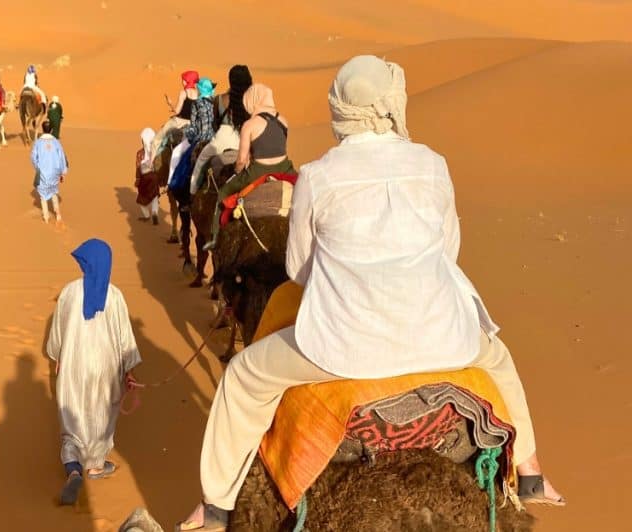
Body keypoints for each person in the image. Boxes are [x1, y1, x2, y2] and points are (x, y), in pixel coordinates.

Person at [176, 55, 564, 531]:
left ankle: (216, 506)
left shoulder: (318, 176)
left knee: (243, 377)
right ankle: (530, 475)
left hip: (343, 348)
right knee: (499, 359)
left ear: (340, 110)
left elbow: (298, 268)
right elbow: (449, 250)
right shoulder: (434, 164)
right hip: (442, 337)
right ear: (392, 103)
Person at [47, 238, 141, 506]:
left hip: (73, 365)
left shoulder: (69, 292)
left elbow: (57, 333)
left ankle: (74, 469)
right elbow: (126, 340)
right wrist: (130, 371)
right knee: (101, 417)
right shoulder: (116, 296)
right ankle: (96, 466)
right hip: (106, 368)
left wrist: (57, 356)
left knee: (72, 420)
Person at [202, 83, 294, 250]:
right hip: (285, 168)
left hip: (258, 171)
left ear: (253, 100)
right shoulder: (283, 120)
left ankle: (215, 239)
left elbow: (241, 160)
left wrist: (236, 172)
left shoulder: (250, 125)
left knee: (222, 193)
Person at [189, 65, 252, 196]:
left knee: (201, 160)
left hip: (221, 139)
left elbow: (215, 124)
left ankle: (193, 192)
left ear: (230, 80)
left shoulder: (220, 99)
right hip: (246, 141)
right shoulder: (251, 101)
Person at [148, 71, 199, 165]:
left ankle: (150, 163)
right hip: (193, 124)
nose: (182, 82)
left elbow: (177, 111)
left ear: (188, 81)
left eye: (184, 80)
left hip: (179, 122)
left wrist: (170, 103)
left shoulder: (184, 93)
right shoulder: (199, 94)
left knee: (157, 139)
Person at [32, 121, 69, 223]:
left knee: (43, 196)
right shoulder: (56, 142)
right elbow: (62, 157)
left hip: (43, 172)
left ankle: (46, 217)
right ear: (51, 130)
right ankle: (58, 215)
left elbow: (33, 158)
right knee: (53, 192)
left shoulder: (38, 142)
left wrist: (38, 167)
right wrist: (63, 172)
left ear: (42, 129)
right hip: (54, 172)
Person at [135, 128, 160, 224]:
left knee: (141, 199)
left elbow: (138, 167)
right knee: (154, 197)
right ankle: (154, 212)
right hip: (154, 177)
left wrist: (137, 179)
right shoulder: (157, 152)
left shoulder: (140, 153)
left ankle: (146, 216)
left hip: (144, 178)